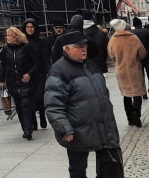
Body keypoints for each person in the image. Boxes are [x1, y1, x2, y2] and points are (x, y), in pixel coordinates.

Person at [44, 31, 123, 178]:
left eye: (85, 45)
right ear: (67, 49)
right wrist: (64, 130)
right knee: (78, 170)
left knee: (111, 166)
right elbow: (54, 106)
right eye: (79, 46)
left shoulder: (92, 66)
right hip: (77, 131)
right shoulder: (58, 71)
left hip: (103, 127)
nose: (84, 49)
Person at [0, 26, 39, 139]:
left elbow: (35, 62)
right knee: (19, 106)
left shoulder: (26, 48)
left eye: (9, 36)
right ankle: (25, 127)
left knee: (25, 104)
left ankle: (28, 129)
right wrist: (1, 80)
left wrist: (29, 73)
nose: (7, 38)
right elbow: (3, 65)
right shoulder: (5, 49)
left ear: (15, 37)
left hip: (24, 81)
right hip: (12, 81)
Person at [105, 18, 147, 127]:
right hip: (134, 69)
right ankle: (136, 111)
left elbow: (111, 56)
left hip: (121, 70)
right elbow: (142, 53)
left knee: (126, 94)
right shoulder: (134, 38)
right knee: (137, 93)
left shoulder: (113, 40)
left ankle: (130, 118)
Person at [23, 18, 50, 129]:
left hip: (40, 73)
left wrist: (48, 70)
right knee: (30, 98)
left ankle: (42, 115)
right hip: (28, 74)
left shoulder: (41, 42)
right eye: (28, 27)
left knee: (40, 96)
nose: (30, 29)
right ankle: (33, 120)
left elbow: (45, 57)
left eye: (32, 27)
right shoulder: (23, 42)